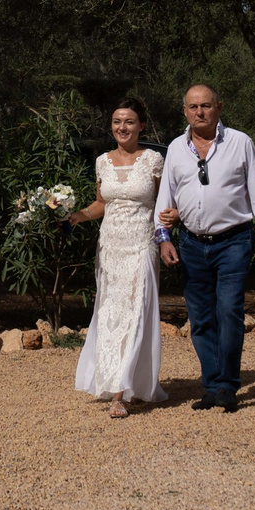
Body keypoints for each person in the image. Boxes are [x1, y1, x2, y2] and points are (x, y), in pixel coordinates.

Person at [154, 83, 255, 411]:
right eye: (193, 107)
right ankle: (211, 384)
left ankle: (227, 385)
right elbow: (166, 198)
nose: (200, 112)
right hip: (192, 244)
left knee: (229, 312)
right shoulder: (176, 149)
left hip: (233, 242)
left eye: (206, 106)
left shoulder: (240, 143)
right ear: (185, 111)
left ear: (218, 108)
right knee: (201, 317)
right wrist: (163, 238)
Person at [66, 99, 166, 417]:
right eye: (116, 121)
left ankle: (120, 393)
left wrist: (168, 230)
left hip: (140, 245)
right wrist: (75, 217)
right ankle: (116, 381)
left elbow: (165, 202)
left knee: (135, 313)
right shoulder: (102, 162)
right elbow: (101, 204)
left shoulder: (153, 160)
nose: (122, 127)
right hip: (109, 247)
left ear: (141, 126)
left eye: (129, 121)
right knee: (111, 313)